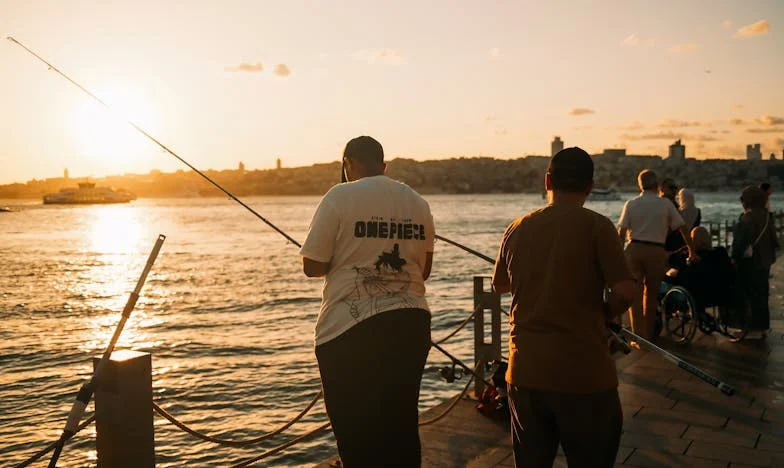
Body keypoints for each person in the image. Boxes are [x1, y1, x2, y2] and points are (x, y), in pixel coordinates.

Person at [492, 147, 636, 467]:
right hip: (584, 375)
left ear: (547, 181)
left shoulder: (517, 228)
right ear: (589, 186)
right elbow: (626, 290)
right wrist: (604, 312)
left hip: (526, 372)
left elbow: (500, 285)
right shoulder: (598, 226)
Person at [300, 136, 435, 466]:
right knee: (401, 428)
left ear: (348, 164)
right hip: (411, 324)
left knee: (356, 435)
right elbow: (425, 270)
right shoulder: (417, 202)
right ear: (383, 165)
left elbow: (312, 266)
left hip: (350, 329)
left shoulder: (339, 196)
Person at [618, 170, 697, 340]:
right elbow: (682, 227)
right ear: (656, 185)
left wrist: (618, 254)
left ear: (640, 185)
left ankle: (636, 336)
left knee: (635, 295)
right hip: (656, 250)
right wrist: (691, 250)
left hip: (635, 248)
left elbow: (622, 231)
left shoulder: (631, 204)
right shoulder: (665, 204)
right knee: (651, 295)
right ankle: (648, 336)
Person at [731, 186, 777, 339]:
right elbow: (774, 240)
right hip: (765, 261)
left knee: (748, 294)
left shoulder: (747, 218)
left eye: (743, 199)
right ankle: (762, 327)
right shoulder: (766, 216)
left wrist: (734, 258)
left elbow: (740, 243)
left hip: (750, 262)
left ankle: (750, 328)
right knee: (762, 294)